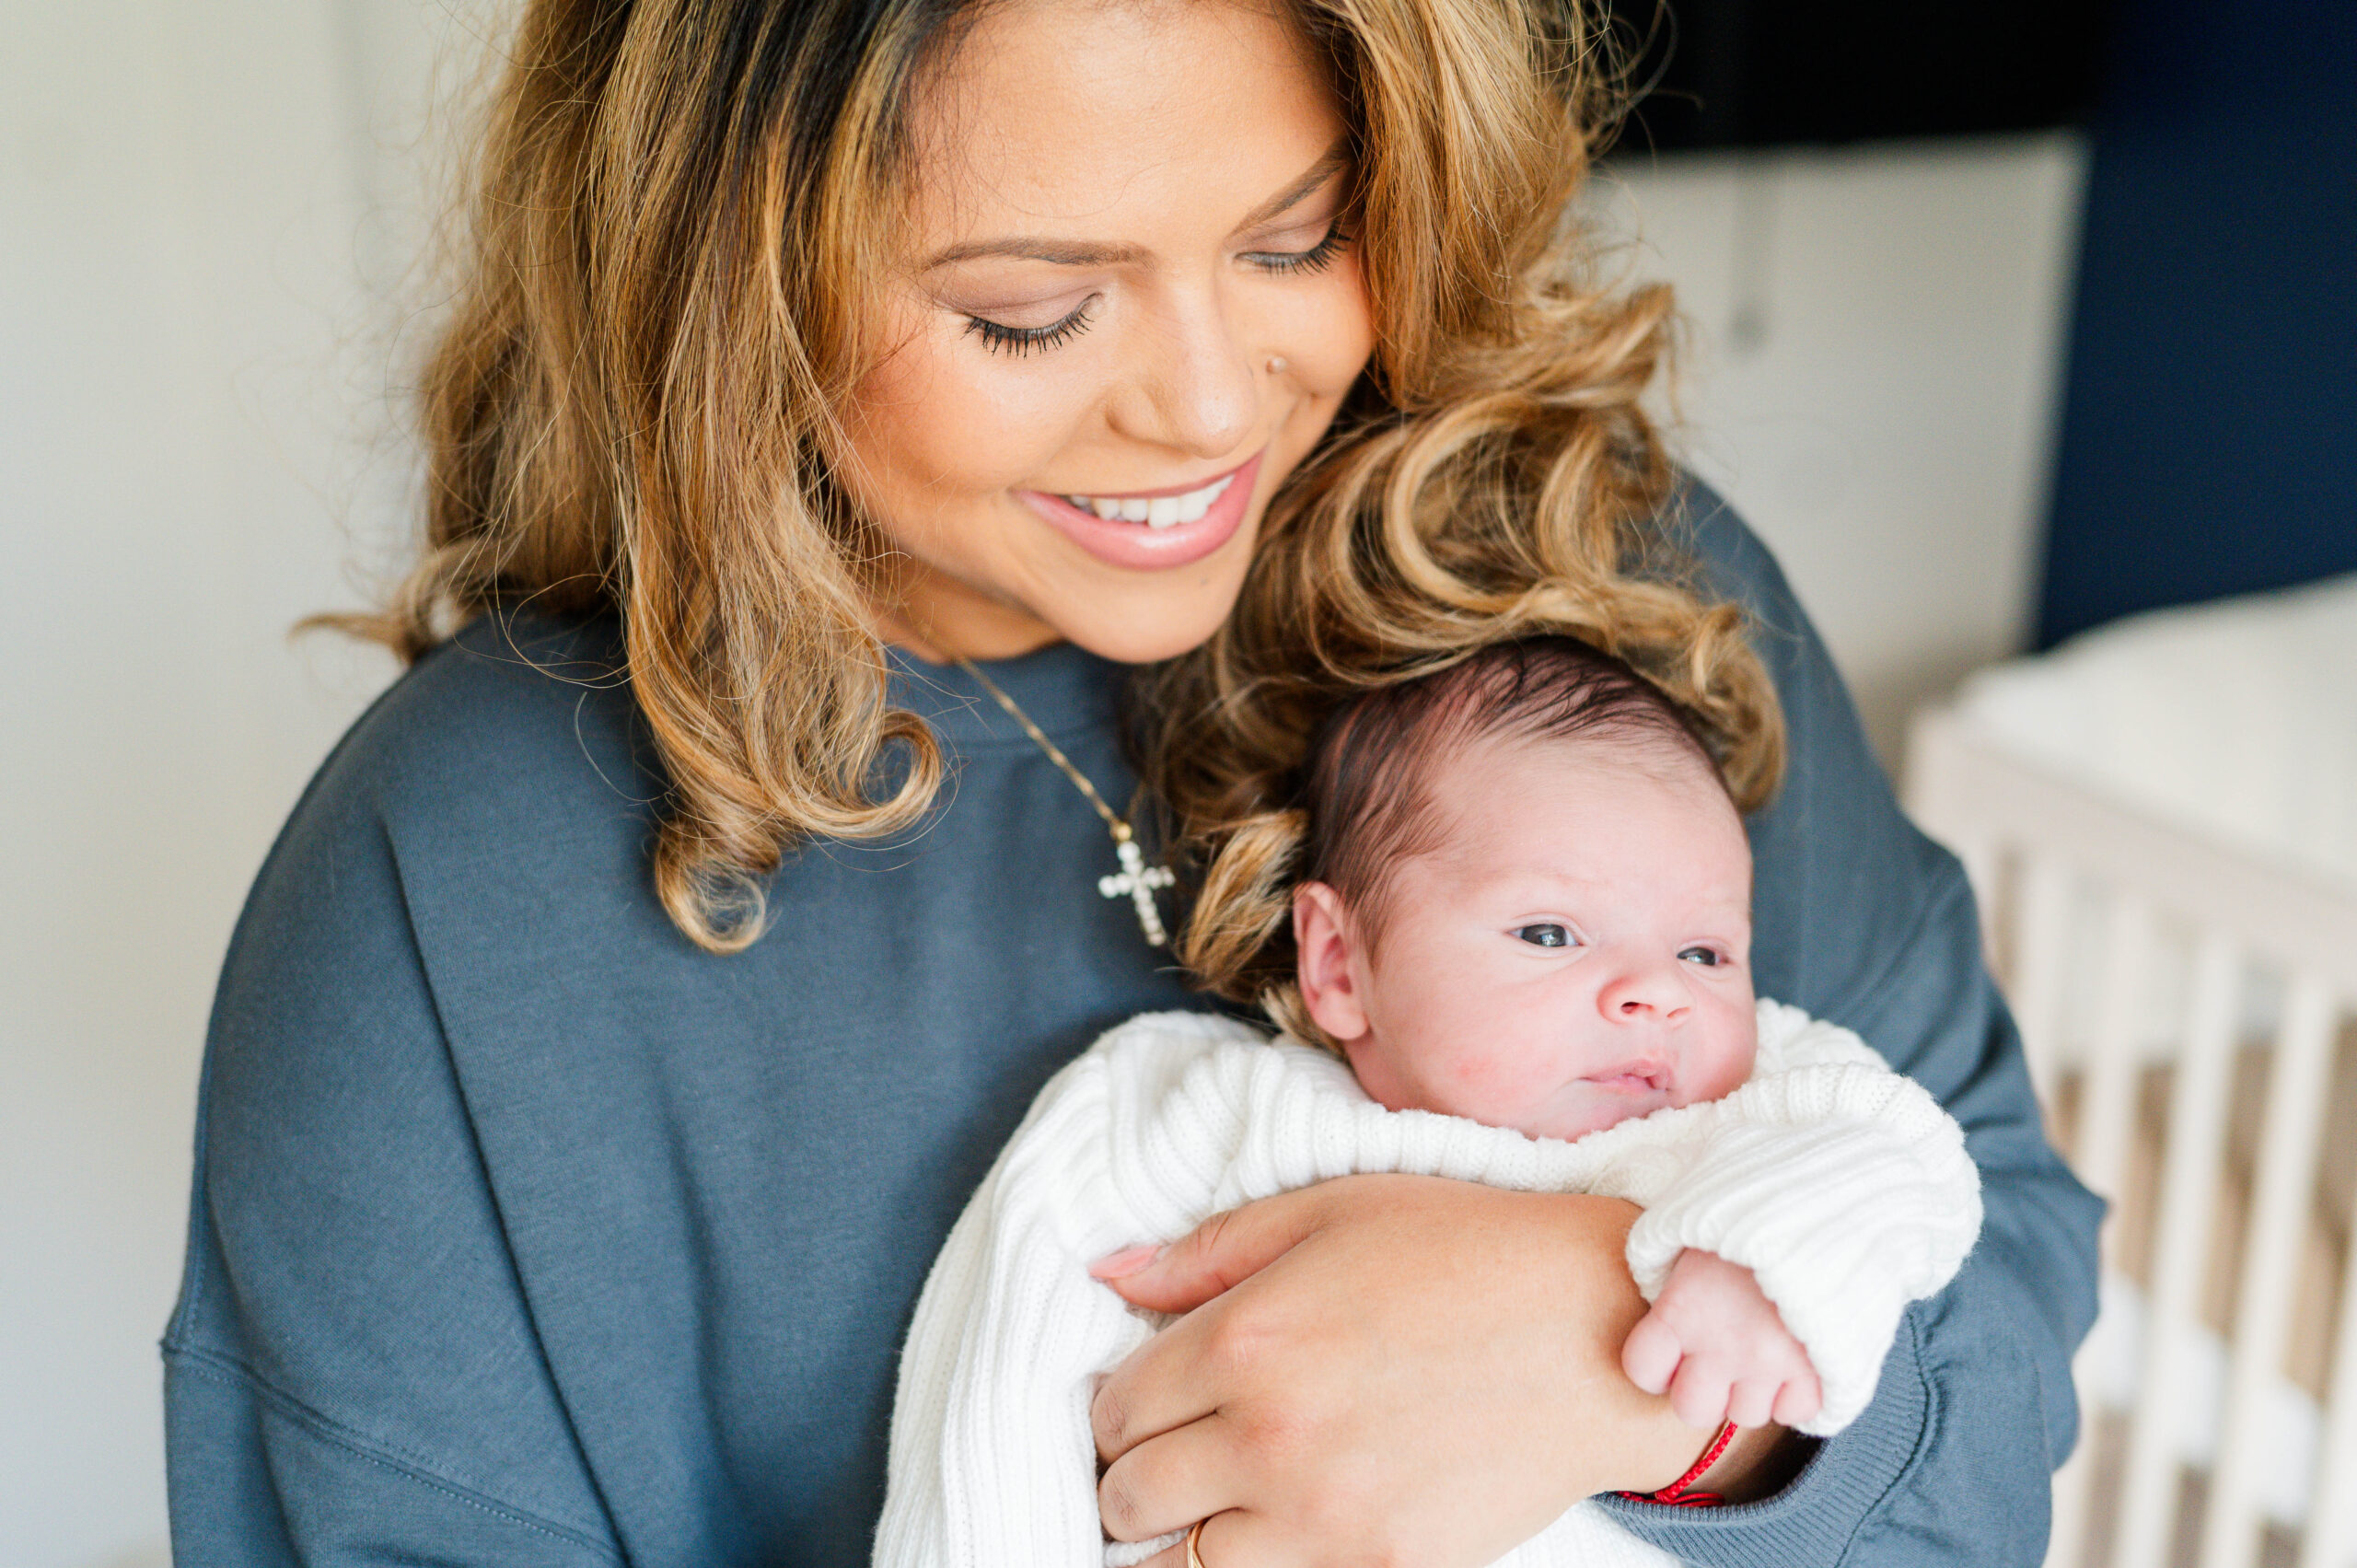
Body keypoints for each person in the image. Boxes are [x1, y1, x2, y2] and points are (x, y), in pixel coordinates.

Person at [161, 0, 2101, 1563]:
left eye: (1294, 235)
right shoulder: (449, 893)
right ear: (721, 279)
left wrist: (1653, 1383)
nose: (1204, 399)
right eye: (1030, 305)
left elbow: (1999, 1254)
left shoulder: (1606, 595)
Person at [876, 638, 1985, 1568]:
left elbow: (1903, 1157)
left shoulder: (1755, 1112)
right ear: (1341, 963)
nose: (1656, 989)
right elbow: (1001, 1387)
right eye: (1550, 931)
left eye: (1705, 949)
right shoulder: (1191, 1105)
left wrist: (1761, 1263)